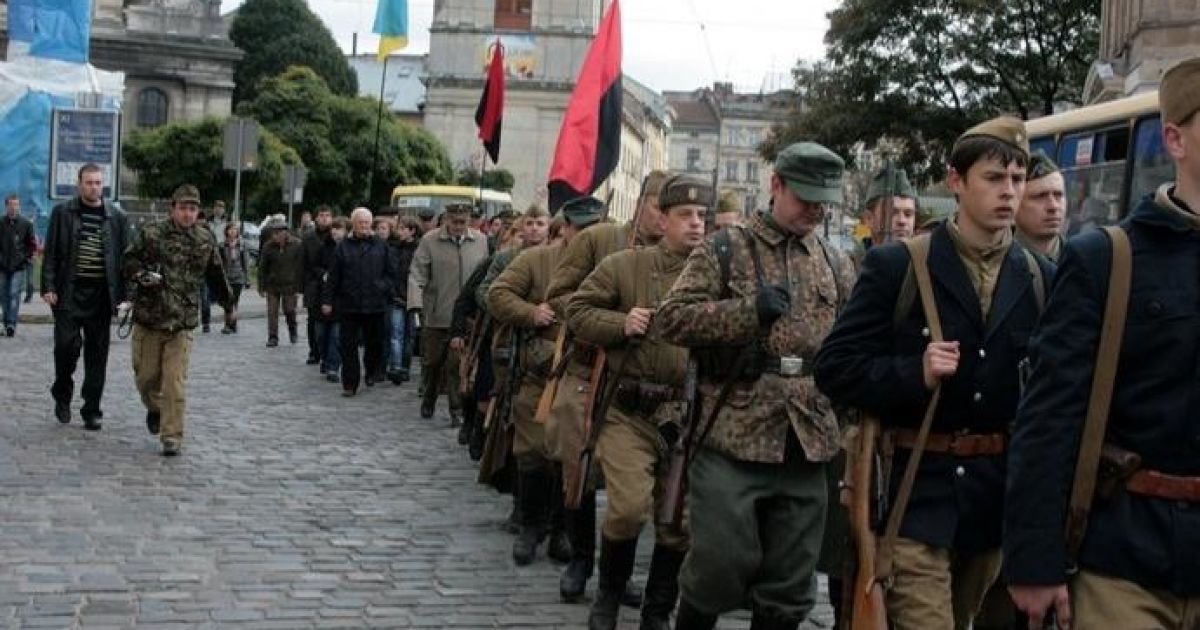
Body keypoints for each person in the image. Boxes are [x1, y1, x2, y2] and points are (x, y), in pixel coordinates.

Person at [814, 118, 1051, 630]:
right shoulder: (898, 267)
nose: (1008, 191)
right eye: (993, 178)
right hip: (916, 500)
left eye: (1016, 179)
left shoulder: (1038, 277)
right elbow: (834, 368)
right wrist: (912, 372)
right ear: (956, 181)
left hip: (997, 505)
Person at [1005, 57, 1200, 630]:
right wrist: (1035, 561)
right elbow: (1049, 416)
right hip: (1125, 560)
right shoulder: (1107, 260)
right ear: (1175, 139)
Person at [655, 145, 856, 630]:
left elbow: (853, 339)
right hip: (732, 432)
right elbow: (672, 320)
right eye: (806, 197)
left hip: (806, 439)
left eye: (823, 200)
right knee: (719, 566)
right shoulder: (726, 248)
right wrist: (745, 313)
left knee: (790, 586)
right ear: (777, 185)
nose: (816, 209)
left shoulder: (835, 261)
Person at [566, 175, 711, 630]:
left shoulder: (719, 275)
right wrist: (620, 322)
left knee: (678, 523)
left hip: (687, 416)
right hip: (630, 411)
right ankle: (608, 596)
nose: (696, 225)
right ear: (661, 218)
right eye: (685, 215)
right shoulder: (625, 267)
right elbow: (577, 312)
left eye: (701, 216)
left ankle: (656, 610)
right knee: (628, 509)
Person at [544, 170, 671, 604]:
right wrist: (612, 316)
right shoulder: (598, 240)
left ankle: (617, 575)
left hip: (639, 385)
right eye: (661, 207)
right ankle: (580, 559)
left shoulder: (682, 258)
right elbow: (560, 295)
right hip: (587, 371)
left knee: (632, 495)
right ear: (642, 204)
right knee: (577, 469)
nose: (667, 218)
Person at [486, 204, 573, 569]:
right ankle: (531, 524)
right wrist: (531, 313)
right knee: (533, 448)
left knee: (569, 456)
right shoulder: (535, 260)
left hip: (582, 375)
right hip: (537, 371)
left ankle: (562, 529)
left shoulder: (611, 263)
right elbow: (495, 294)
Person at [123, 184, 232, 456]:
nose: (187, 214)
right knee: (146, 379)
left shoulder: (205, 239)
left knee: (174, 382)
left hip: (181, 322)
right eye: (183, 208)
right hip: (150, 318)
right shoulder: (152, 234)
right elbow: (128, 261)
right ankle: (156, 409)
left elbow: (216, 275)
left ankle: (172, 436)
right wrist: (142, 276)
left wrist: (229, 305)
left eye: (192, 209)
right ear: (173, 209)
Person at [41, 163, 130, 429]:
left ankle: (92, 409)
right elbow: (52, 254)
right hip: (69, 293)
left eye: (98, 183)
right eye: (89, 182)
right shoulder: (63, 213)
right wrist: (48, 286)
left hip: (102, 297)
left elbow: (125, 261)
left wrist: (126, 297)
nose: (94, 187)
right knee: (65, 349)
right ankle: (62, 394)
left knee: (97, 356)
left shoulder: (117, 217)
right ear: (79, 184)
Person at [407, 203, 489, 422]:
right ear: (446, 220)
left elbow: (486, 274)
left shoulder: (480, 241)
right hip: (437, 313)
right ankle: (429, 397)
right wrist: (416, 304)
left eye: (463, 222)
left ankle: (456, 409)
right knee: (432, 363)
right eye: (455, 222)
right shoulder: (430, 241)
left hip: (464, 319)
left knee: (455, 365)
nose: (459, 226)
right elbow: (417, 274)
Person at [322, 208, 396, 396]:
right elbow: (333, 277)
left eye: (366, 222)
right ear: (353, 224)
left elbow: (391, 274)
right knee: (348, 346)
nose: (364, 226)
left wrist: (382, 287)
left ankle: (371, 370)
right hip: (349, 304)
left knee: (374, 344)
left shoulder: (381, 245)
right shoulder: (343, 247)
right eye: (360, 222)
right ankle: (350, 384)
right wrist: (328, 300)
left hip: (375, 305)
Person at [1015, 150, 1067, 262]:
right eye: (1040, 196)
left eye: (1058, 195)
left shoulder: (1082, 260)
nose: (1053, 206)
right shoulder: (996, 265)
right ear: (1015, 204)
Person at [258, 220, 303, 347]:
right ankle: (273, 337)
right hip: (272, 284)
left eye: (277, 232)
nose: (274, 236)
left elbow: (301, 265)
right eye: (273, 233)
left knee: (289, 310)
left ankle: (292, 330)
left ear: (285, 232)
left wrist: (300, 284)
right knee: (272, 312)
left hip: (290, 284)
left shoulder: (297, 244)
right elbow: (262, 267)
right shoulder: (268, 246)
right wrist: (261, 286)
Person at [387, 216, 421, 383]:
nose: (399, 232)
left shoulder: (420, 249)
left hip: (414, 298)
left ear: (412, 230)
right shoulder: (393, 248)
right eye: (399, 228)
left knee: (410, 335)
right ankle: (396, 366)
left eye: (403, 228)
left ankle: (405, 367)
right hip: (396, 297)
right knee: (396, 334)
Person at [301, 206, 334, 365]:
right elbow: (302, 262)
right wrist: (301, 286)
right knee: (313, 320)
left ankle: (327, 351)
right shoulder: (308, 237)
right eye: (322, 215)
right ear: (316, 218)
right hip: (313, 284)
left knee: (329, 320)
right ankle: (314, 351)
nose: (325, 219)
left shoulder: (335, 235)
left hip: (331, 283)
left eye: (328, 215)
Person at [0, 193, 36, 337]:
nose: (13, 208)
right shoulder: (1, 223)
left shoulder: (26, 224)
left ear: (19, 206)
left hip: (18, 266)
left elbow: (31, 245)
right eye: (11, 205)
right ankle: (7, 321)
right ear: (6, 206)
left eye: (16, 205)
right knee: (3, 295)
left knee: (14, 294)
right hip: (1, 266)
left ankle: (11, 324)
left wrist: (25, 258)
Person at [318, 218, 349, 382]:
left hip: (343, 299)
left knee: (337, 335)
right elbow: (315, 266)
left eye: (339, 228)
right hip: (326, 295)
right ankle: (324, 358)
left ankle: (333, 367)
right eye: (333, 228)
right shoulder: (325, 247)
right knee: (322, 334)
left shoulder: (349, 248)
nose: (335, 231)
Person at [860, 166, 920, 249]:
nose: (902, 221)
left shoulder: (924, 260)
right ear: (869, 219)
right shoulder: (852, 259)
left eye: (908, 214)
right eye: (892, 213)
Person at [219, 222, 250, 334]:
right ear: (226, 231)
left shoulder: (242, 245)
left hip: (238, 277)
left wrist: (247, 279)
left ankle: (232, 324)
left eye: (235, 230)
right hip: (226, 277)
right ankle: (228, 324)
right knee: (227, 301)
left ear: (238, 232)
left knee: (234, 301)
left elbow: (245, 263)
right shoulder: (222, 246)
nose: (232, 232)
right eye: (230, 229)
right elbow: (220, 263)